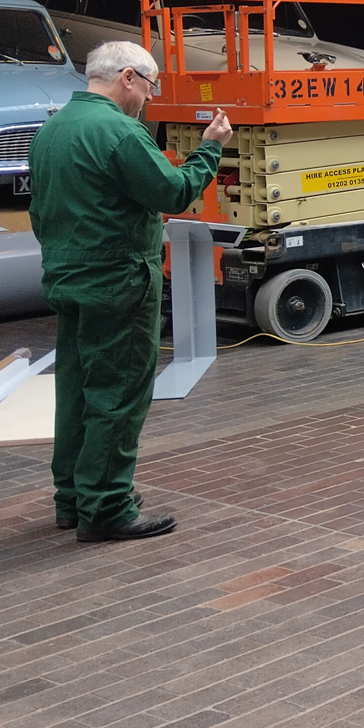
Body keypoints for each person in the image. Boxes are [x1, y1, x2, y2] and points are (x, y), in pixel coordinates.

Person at [28, 41, 232, 541]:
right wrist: (210, 148)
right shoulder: (119, 132)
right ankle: (106, 506)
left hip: (68, 278)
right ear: (127, 78)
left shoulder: (53, 129)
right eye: (149, 86)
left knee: (75, 391)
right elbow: (172, 192)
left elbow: (41, 210)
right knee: (117, 393)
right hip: (118, 282)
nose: (148, 98)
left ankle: (73, 498)